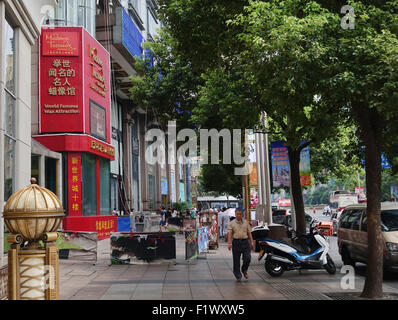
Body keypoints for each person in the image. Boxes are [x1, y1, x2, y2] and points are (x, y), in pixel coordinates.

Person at [227, 208, 254, 282]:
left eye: (240, 214)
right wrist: (229, 243)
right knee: (236, 260)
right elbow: (229, 234)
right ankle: (238, 275)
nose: (239, 215)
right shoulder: (231, 223)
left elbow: (249, 233)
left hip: (245, 242)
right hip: (236, 242)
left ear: (242, 214)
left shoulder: (246, 222)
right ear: (235, 214)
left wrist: (251, 242)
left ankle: (244, 270)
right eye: (237, 214)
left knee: (247, 258)